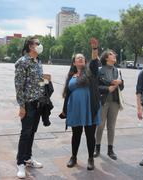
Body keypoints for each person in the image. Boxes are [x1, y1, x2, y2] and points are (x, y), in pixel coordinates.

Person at [60, 38, 101, 171]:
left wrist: (94, 49)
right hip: (75, 109)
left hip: (90, 108)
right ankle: (73, 157)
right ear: (74, 62)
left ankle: (90, 158)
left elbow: (95, 61)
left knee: (90, 135)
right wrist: (64, 110)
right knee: (76, 134)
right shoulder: (71, 75)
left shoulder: (90, 71)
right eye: (78, 58)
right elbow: (67, 94)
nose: (81, 59)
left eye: (83, 58)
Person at [14, 37, 52, 178]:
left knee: (32, 132)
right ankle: (20, 163)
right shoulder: (22, 62)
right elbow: (19, 87)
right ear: (31, 46)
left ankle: (28, 158)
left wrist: (47, 80)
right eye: (37, 43)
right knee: (25, 133)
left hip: (38, 103)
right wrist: (22, 106)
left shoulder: (38, 61)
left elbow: (37, 82)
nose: (40, 45)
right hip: (28, 104)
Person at [94, 50, 124, 160]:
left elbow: (121, 87)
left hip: (114, 101)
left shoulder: (118, 70)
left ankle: (110, 150)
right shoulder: (99, 70)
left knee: (111, 126)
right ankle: (97, 148)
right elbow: (95, 87)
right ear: (106, 58)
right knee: (100, 125)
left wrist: (120, 83)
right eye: (112, 54)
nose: (114, 56)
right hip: (103, 101)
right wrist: (107, 88)